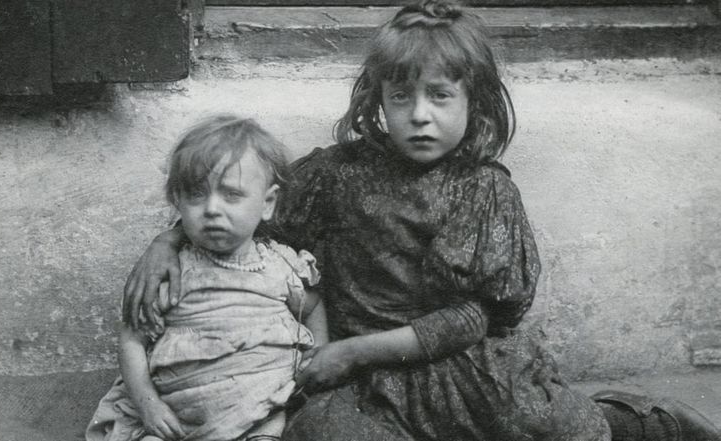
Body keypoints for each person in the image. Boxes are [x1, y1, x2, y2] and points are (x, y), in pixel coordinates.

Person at [122, 2, 721, 440]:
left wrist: (355, 352)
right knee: (322, 436)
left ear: (474, 102)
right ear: (376, 101)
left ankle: (643, 422)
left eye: (440, 97)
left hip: (459, 364)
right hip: (362, 384)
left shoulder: (485, 190)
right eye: (401, 98)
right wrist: (166, 241)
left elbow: (475, 317)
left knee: (558, 427)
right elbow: (250, 205)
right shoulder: (337, 175)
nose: (419, 117)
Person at [87, 115, 328, 441]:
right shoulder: (171, 272)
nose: (212, 208)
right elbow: (132, 339)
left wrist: (319, 355)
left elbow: (312, 305)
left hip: (260, 414)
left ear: (267, 203)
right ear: (179, 202)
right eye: (197, 195)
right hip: (176, 415)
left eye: (231, 195)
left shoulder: (280, 266)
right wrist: (148, 405)